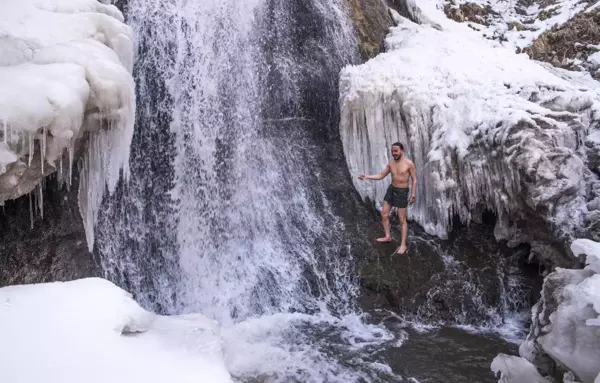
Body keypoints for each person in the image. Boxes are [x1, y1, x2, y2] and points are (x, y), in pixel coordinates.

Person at [358, 142, 417, 255]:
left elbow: (414, 179)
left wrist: (413, 195)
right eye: (392, 151)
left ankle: (403, 245)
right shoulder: (391, 164)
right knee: (384, 214)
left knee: (402, 219)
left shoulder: (409, 164)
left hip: (402, 192)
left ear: (402, 151)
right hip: (392, 190)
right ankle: (387, 236)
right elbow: (381, 176)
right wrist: (366, 177)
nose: (394, 153)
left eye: (396, 151)